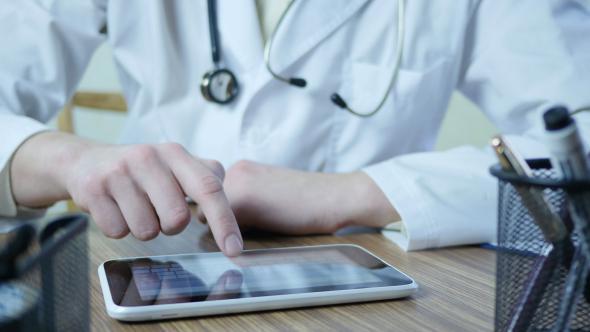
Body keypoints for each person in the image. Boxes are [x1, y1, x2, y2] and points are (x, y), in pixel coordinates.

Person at [1, 0, 589, 256]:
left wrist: (355, 193)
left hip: (371, 284)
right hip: (154, 265)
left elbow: (580, 139)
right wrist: (63, 159)